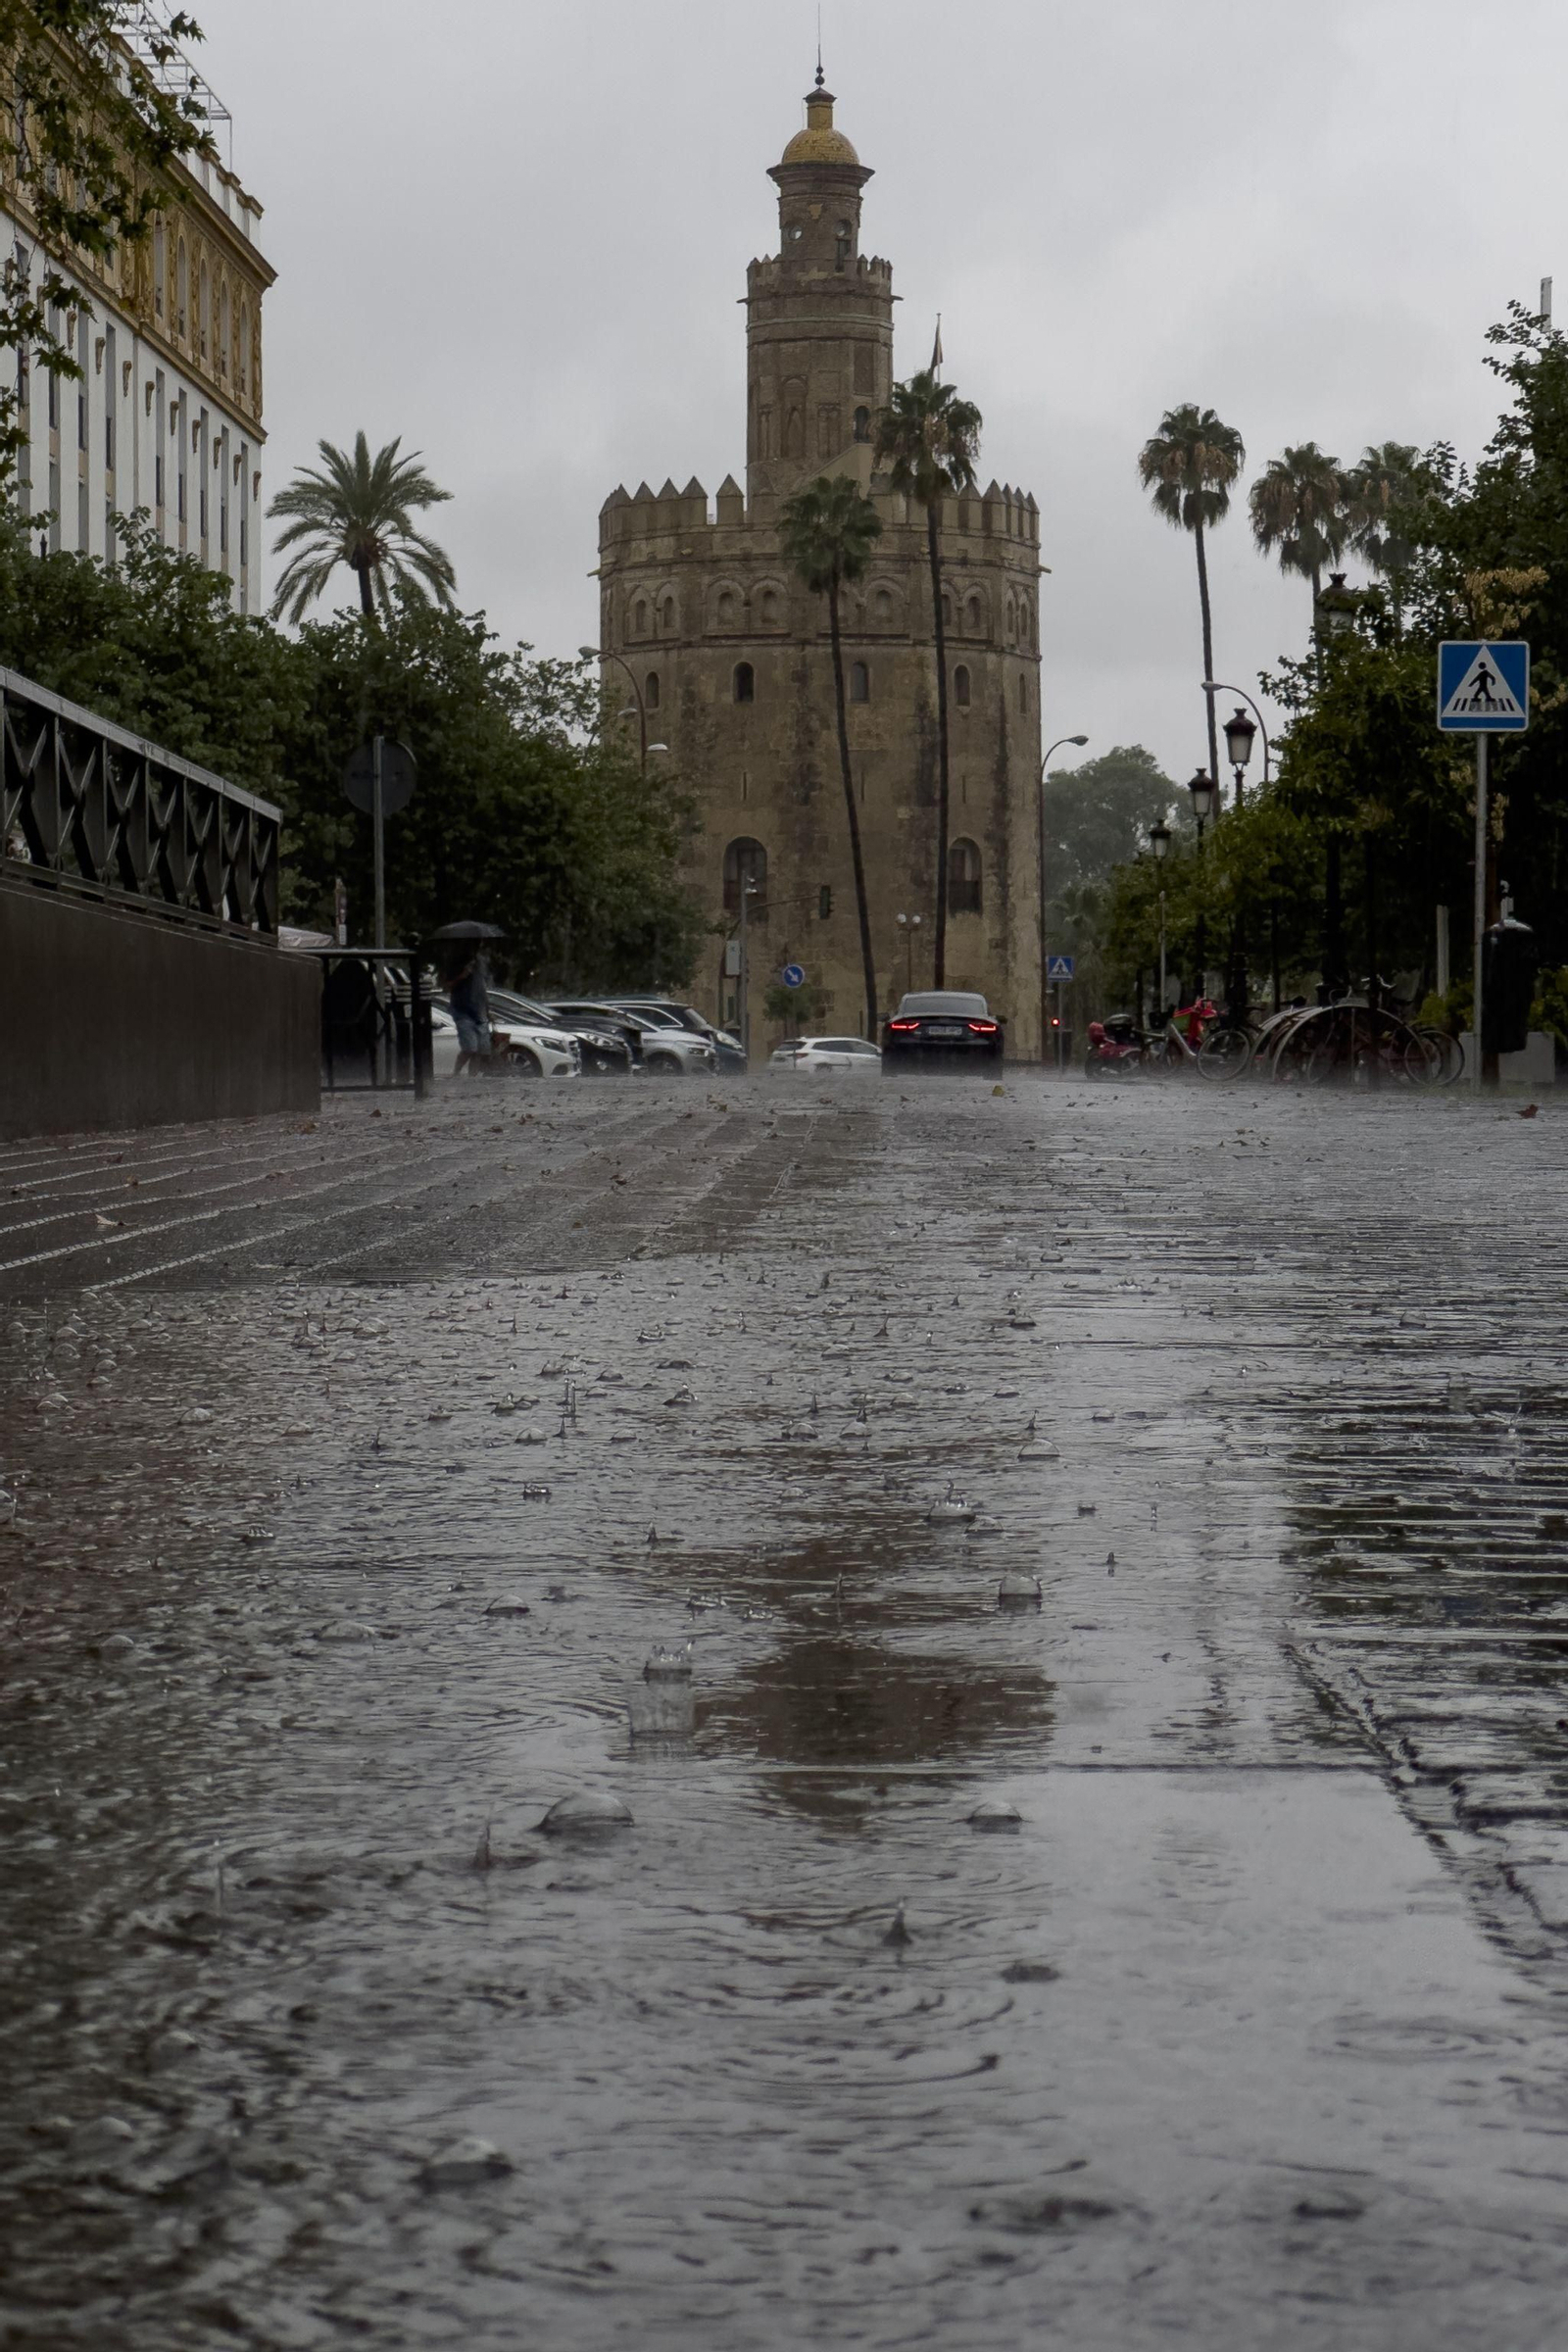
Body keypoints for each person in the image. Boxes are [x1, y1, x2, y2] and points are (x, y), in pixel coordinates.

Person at [448, 951, 492, 1076]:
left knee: (481, 1049)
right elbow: (447, 985)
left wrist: (488, 1010)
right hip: (463, 1012)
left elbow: (483, 990)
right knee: (470, 1048)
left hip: (479, 1012)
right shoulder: (457, 963)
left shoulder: (481, 964)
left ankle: (472, 1076)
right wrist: (463, 975)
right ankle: (456, 1072)